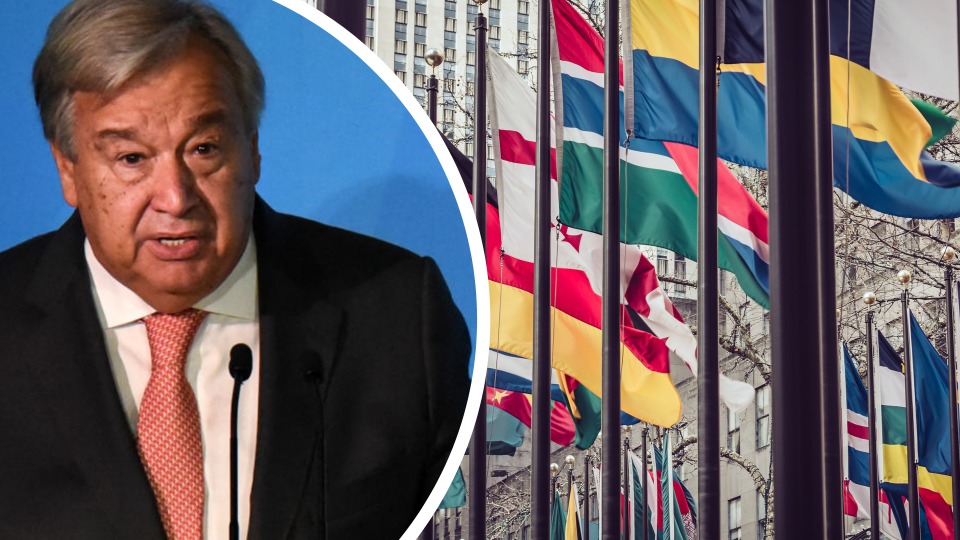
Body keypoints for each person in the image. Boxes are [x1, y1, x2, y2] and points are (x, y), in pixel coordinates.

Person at [0, 1, 472, 539]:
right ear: (68, 169)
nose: (175, 199)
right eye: (132, 159)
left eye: (204, 149)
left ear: (252, 151)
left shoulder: (399, 318)